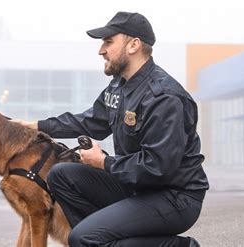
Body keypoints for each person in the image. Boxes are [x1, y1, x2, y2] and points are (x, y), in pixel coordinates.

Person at [12, 11, 209, 247]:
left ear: (134, 45)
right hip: (137, 187)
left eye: (108, 42)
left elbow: (158, 167)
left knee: (84, 237)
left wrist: (104, 162)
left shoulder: (164, 97)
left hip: (174, 197)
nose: (101, 50)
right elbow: (88, 121)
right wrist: (34, 126)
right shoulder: (118, 86)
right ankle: (107, 237)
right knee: (61, 175)